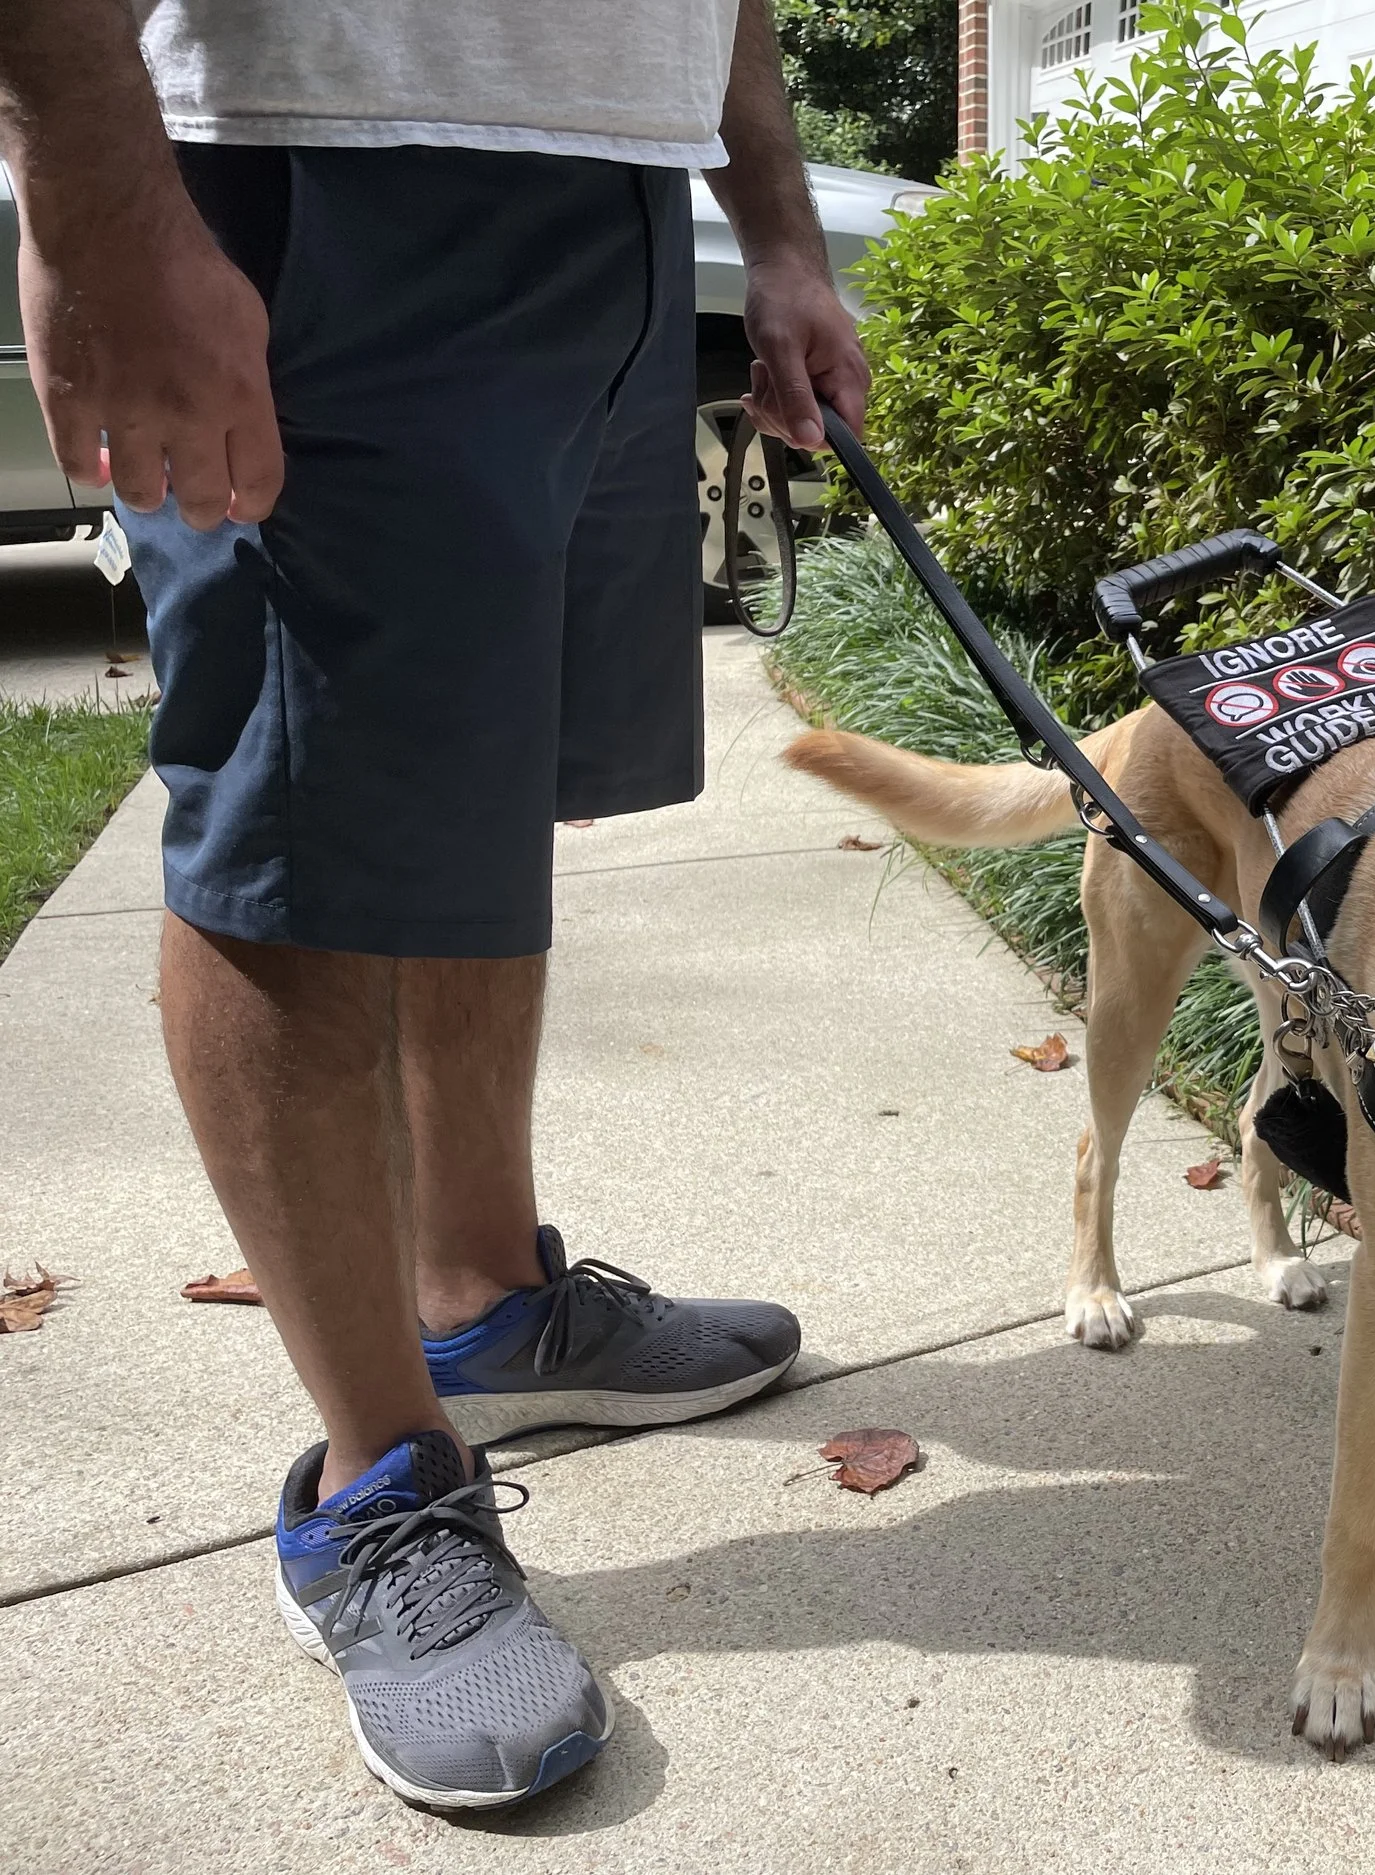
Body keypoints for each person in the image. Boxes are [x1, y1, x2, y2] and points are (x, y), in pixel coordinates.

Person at [0, 0, 867, 1810]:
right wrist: (96, 192)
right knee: (295, 832)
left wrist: (774, 227)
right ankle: (376, 1483)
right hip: (306, 154)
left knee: (477, 794)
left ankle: (481, 1299)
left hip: (614, 195)